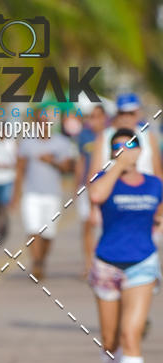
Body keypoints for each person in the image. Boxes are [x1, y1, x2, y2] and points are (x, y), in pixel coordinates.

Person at [88, 128, 162, 363]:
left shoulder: (155, 184)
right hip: (107, 264)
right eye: (117, 146)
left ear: (140, 150)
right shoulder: (103, 180)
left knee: (131, 333)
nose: (124, 150)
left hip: (142, 264)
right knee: (110, 341)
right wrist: (116, 165)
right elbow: (95, 197)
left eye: (130, 145)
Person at [12, 107, 76, 279]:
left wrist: (52, 161)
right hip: (31, 193)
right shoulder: (27, 142)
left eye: (46, 121)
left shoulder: (61, 142)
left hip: (52, 194)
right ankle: (36, 262)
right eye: (40, 121)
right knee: (33, 229)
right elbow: (20, 169)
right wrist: (15, 195)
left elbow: (69, 167)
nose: (43, 124)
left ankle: (42, 259)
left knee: (48, 234)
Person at [89, 93, 162, 182]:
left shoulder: (148, 136)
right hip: (114, 192)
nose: (126, 117)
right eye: (122, 113)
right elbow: (94, 174)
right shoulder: (104, 137)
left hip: (144, 193)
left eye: (131, 113)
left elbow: (158, 173)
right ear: (116, 113)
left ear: (138, 113)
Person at [75, 103, 108, 277]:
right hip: (86, 186)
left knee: (105, 226)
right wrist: (77, 186)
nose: (93, 120)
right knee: (87, 225)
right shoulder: (84, 136)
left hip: (106, 186)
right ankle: (89, 264)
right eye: (91, 116)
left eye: (97, 116)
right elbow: (80, 161)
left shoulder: (111, 135)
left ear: (104, 117)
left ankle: (104, 262)